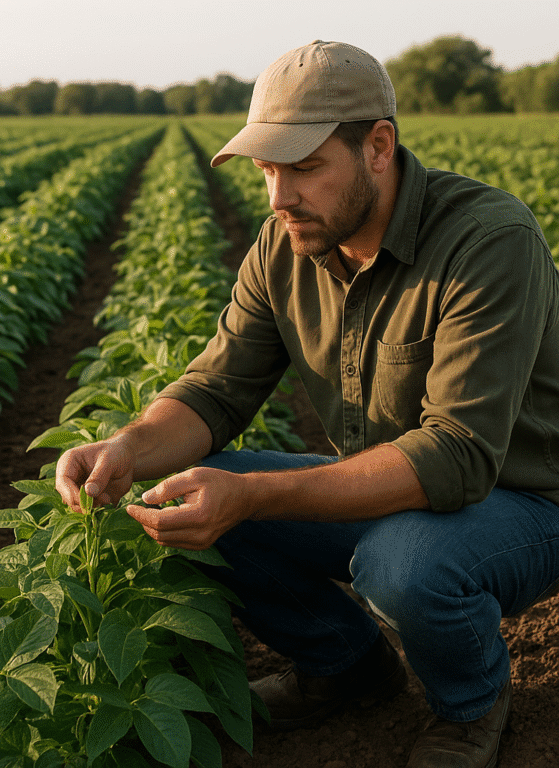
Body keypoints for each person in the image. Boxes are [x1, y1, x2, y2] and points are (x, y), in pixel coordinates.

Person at [56, 40, 559, 768]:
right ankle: (348, 667)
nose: (278, 197)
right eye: (267, 169)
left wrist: (253, 496)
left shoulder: (487, 240)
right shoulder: (284, 245)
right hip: (390, 486)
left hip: (525, 500)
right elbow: (215, 389)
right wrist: (129, 448)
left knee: (402, 565)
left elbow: (456, 455)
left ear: (378, 147)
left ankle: (471, 703)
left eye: (304, 168)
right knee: (181, 497)